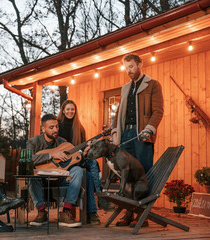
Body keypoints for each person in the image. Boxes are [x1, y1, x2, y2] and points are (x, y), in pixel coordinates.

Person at [111, 53, 164, 227]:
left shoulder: (153, 85)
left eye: (131, 66)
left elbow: (158, 111)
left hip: (142, 135)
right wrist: (115, 132)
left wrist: (149, 129)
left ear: (140, 64)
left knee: (143, 174)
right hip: (126, 135)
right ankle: (128, 212)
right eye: (126, 68)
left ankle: (142, 215)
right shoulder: (125, 88)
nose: (129, 70)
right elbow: (119, 113)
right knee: (127, 174)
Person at [27, 114, 83, 228]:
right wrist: (51, 155)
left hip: (60, 179)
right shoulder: (33, 142)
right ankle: (42, 212)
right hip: (41, 180)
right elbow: (29, 159)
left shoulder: (63, 142)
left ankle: (66, 212)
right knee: (31, 176)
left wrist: (83, 154)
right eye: (51, 127)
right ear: (43, 129)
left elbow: (72, 161)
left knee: (78, 170)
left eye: (57, 126)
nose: (55, 130)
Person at [57, 100, 102, 224]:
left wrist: (86, 150)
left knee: (92, 164)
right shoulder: (58, 126)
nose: (70, 111)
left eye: (72, 109)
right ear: (63, 110)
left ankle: (94, 208)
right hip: (63, 162)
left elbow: (82, 151)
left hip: (77, 160)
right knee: (90, 172)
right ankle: (94, 207)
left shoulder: (79, 128)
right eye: (68, 109)